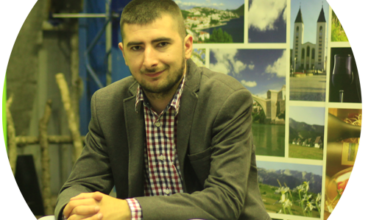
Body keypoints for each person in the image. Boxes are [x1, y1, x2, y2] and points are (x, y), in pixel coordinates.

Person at [54, 0, 270, 219]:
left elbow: (225, 200)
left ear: (187, 46)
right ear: (124, 53)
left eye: (162, 44)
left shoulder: (226, 100)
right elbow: (79, 184)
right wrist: (73, 212)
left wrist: (130, 209)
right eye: (136, 48)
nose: (149, 61)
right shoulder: (107, 104)